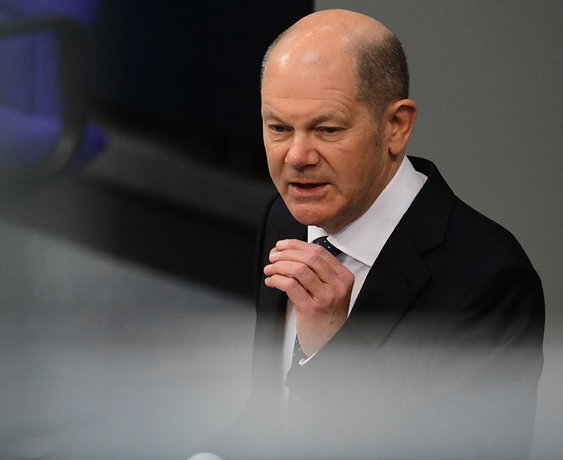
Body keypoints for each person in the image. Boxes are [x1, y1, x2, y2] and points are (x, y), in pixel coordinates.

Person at [228, 8, 544, 459]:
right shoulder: (284, 218)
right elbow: (270, 416)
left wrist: (333, 352)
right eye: (278, 127)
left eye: (327, 129)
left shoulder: (490, 280)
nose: (296, 156)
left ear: (396, 126)